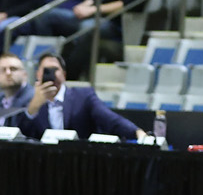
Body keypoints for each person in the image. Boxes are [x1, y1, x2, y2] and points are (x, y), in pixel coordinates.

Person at [16, 50, 149, 141]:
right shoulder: (28, 101)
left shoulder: (83, 96)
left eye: (55, 69)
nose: (52, 74)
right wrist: (33, 108)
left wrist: (136, 132)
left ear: (64, 75)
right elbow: (21, 135)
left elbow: (109, 118)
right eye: (46, 71)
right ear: (38, 75)